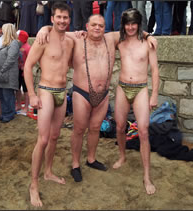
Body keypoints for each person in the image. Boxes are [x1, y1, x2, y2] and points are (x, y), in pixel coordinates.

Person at [36, 12, 157, 184]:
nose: (97, 28)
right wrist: (44, 28)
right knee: (78, 129)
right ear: (86, 26)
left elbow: (132, 29)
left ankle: (91, 159)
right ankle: (75, 164)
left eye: (101, 25)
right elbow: (58, 29)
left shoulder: (111, 38)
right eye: (94, 25)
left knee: (95, 128)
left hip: (103, 94)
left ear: (104, 27)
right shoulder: (78, 38)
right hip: (81, 92)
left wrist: (149, 35)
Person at [24, 2, 73, 207]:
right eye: (58, 17)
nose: (62, 21)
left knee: (55, 136)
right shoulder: (43, 38)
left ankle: (48, 171)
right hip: (46, 91)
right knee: (43, 139)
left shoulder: (71, 41)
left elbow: (89, 32)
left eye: (65, 18)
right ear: (52, 18)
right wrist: (32, 95)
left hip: (62, 92)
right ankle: (33, 185)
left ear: (69, 19)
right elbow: (28, 66)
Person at [113, 8, 159, 195]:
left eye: (134, 24)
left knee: (144, 130)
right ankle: (122, 156)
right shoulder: (119, 41)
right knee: (119, 126)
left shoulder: (148, 44)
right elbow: (97, 34)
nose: (130, 27)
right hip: (122, 87)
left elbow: (155, 70)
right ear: (123, 25)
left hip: (140, 88)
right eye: (127, 23)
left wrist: (154, 94)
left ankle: (146, 175)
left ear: (139, 24)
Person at [0, 23, 21, 123]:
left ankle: (9, 114)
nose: (1, 31)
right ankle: (4, 113)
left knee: (7, 95)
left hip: (7, 74)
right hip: (2, 74)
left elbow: (11, 59)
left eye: (3, 30)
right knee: (2, 95)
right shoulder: (6, 43)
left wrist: (2, 69)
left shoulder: (13, 43)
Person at [15, 30, 31, 114]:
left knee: (26, 89)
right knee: (17, 88)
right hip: (17, 70)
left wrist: (25, 68)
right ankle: (18, 104)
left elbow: (31, 60)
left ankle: (26, 106)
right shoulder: (17, 46)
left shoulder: (28, 47)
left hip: (25, 71)